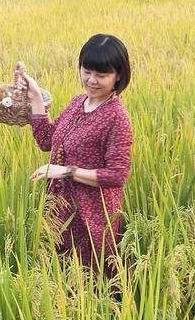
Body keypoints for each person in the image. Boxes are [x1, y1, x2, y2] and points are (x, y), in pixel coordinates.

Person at [16, 34, 133, 277]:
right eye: (87, 71)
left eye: (101, 75)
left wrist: (66, 171)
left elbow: (117, 174)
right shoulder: (77, 102)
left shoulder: (116, 117)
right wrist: (36, 97)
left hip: (91, 217)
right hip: (60, 209)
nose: (92, 80)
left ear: (118, 76)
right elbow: (47, 140)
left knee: (89, 282)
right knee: (58, 277)